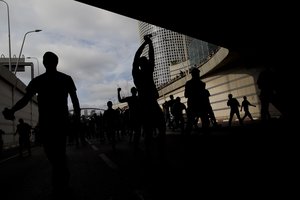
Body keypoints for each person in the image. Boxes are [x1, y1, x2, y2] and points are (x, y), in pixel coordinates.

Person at [2, 51, 81, 195]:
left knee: (51, 153)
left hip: (47, 123)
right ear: (56, 62)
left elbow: (26, 99)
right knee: (59, 153)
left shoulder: (38, 81)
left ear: (45, 63)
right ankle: (63, 177)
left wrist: (13, 110)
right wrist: (77, 117)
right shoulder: (66, 79)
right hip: (61, 122)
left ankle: (59, 183)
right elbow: (75, 100)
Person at [132, 34, 166, 159]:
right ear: (143, 64)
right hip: (148, 104)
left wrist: (147, 43)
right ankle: (151, 151)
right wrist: (148, 43)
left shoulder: (138, 74)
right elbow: (146, 56)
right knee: (153, 129)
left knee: (153, 129)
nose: (148, 62)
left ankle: (151, 151)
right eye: (146, 61)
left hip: (147, 104)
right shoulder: (142, 73)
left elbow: (142, 57)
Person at [184, 67, 210, 134]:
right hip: (200, 106)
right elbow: (204, 97)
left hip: (193, 105)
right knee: (205, 123)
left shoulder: (188, 83)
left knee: (190, 124)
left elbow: (186, 95)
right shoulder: (202, 84)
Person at [117, 87, 141, 152]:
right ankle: (136, 144)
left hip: (132, 117)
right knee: (137, 131)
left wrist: (118, 92)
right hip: (138, 117)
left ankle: (133, 143)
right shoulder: (138, 98)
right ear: (136, 91)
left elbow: (120, 100)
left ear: (131, 92)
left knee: (133, 130)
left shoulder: (129, 98)